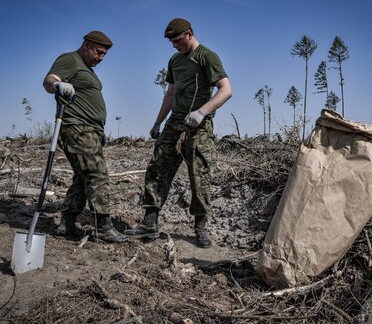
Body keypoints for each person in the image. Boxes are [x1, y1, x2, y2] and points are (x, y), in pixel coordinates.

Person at [125, 18, 233, 248]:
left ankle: (200, 227)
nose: (175, 46)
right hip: (174, 123)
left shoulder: (207, 56)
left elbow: (226, 90)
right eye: (171, 42)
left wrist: (201, 112)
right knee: (157, 168)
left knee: (199, 176)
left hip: (198, 127)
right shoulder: (174, 60)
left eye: (177, 40)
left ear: (190, 33)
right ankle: (149, 222)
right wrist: (158, 122)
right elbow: (170, 94)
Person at [43, 30, 128, 243]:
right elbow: (49, 80)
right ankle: (103, 226)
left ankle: (67, 224)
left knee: (82, 177)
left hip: (89, 130)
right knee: (97, 174)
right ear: (86, 45)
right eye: (99, 52)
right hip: (76, 127)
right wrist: (57, 84)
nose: (101, 58)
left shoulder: (87, 69)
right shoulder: (70, 59)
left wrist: (98, 130)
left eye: (105, 54)